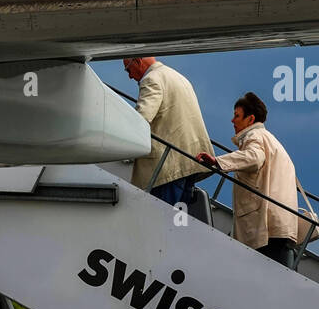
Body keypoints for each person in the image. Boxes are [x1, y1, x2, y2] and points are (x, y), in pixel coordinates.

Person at [197, 92, 298, 266]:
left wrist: (218, 161)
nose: (232, 120)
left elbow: (254, 158)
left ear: (250, 120)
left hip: (265, 227)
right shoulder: (272, 141)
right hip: (280, 225)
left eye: (237, 116)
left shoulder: (254, 137)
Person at [123, 57, 211, 207]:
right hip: (190, 162)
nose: (130, 76)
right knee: (178, 222)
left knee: (160, 222)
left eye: (128, 70)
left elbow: (141, 119)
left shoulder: (151, 79)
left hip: (166, 169)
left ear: (138, 61)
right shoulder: (178, 77)